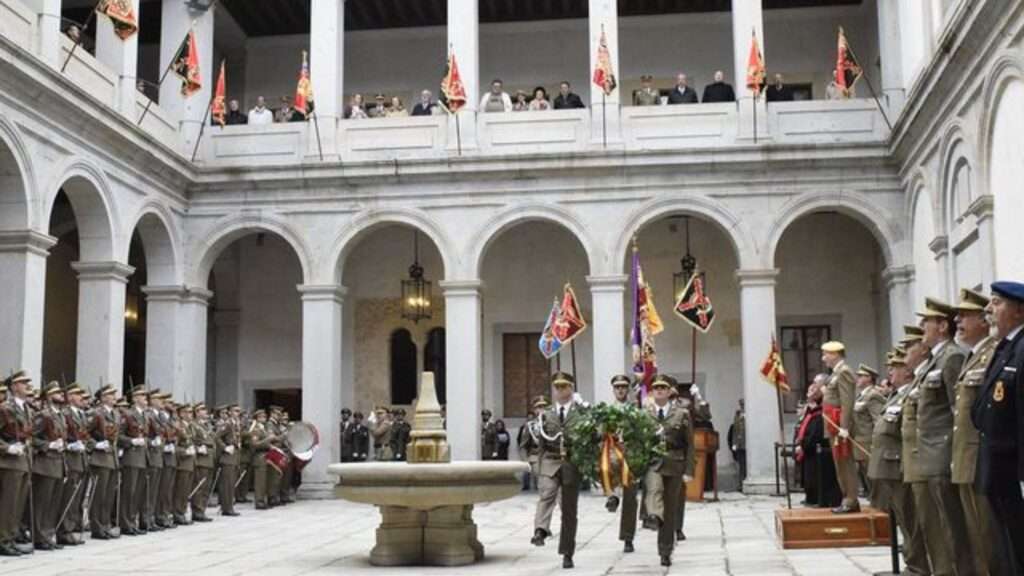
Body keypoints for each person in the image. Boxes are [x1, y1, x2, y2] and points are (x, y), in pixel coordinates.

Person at [915, 297, 973, 576]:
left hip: (943, 452)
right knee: (940, 524)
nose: (921, 327)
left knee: (954, 525)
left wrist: (953, 455)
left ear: (941, 325)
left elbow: (956, 411)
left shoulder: (952, 357)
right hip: (930, 454)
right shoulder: (935, 359)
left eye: (926, 321)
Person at [972, 281, 1024, 573]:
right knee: (1009, 546)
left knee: (1018, 546)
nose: (989, 310)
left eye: (997, 303)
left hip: (1013, 469)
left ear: (1018, 311)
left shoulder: (1022, 348)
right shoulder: (1007, 348)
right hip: (999, 467)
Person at [867, 348, 930, 574]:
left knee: (911, 520)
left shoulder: (909, 393)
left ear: (906, 371)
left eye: (895, 368)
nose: (890, 373)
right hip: (889, 465)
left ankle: (918, 565)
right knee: (903, 519)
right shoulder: (896, 395)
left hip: (900, 464)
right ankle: (912, 562)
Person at [951, 288, 998, 574]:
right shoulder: (971, 358)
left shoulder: (993, 353)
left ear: (983, 320)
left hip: (981, 456)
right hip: (965, 457)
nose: (959, 321)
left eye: (966, 315)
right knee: (975, 534)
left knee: (988, 534)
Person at [534, 372, 582, 569]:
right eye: (557, 387)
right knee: (546, 493)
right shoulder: (546, 414)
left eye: (564, 386)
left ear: (571, 388)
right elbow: (542, 445)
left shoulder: (582, 412)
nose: (561, 390)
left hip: (571, 463)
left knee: (569, 511)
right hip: (551, 461)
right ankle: (540, 530)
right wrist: (538, 466)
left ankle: (567, 552)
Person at [643, 374, 690, 567]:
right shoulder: (645, 414)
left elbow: (689, 444)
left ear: (669, 391)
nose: (659, 390)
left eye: (663, 387)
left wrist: (689, 469)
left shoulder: (682, 413)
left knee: (670, 510)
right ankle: (653, 515)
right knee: (654, 489)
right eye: (656, 388)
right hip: (653, 462)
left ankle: (665, 550)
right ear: (652, 392)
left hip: (675, 462)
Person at [820, 341, 859, 513]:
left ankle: (850, 499)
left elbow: (847, 401)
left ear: (836, 354)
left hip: (839, 425)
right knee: (839, 463)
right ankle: (847, 497)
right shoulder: (835, 373)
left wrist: (844, 426)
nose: (824, 358)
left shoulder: (844, 372)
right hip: (832, 424)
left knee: (845, 463)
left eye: (826, 354)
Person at [0, 371, 33, 556]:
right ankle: (3, 540)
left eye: (27, 382)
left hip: (23, 461)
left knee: (18, 504)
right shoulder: (5, 408)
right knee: (8, 505)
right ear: (13, 387)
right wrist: (7, 448)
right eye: (22, 383)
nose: (27, 385)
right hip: (9, 462)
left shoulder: (25, 408)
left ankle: (11, 538)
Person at [31, 383, 66, 550]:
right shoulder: (43, 415)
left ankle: (47, 535)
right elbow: (32, 438)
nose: (61, 394)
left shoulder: (59, 415)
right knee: (42, 503)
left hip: (58, 463)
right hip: (45, 464)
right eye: (57, 392)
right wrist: (48, 445)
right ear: (49, 395)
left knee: (52, 503)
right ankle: (39, 536)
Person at [605, 375, 638, 553]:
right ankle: (612, 497)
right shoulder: (607, 410)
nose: (620, 390)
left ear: (628, 389)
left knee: (631, 499)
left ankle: (628, 537)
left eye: (624, 387)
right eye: (617, 387)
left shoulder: (636, 409)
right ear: (613, 390)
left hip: (631, 455)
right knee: (607, 470)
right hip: (612, 452)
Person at [59, 384, 89, 546]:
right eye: (77, 395)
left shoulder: (81, 414)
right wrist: (70, 445)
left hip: (81, 459)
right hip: (71, 459)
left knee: (76, 497)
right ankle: (65, 530)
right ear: (69, 396)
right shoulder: (66, 413)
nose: (81, 398)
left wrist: (87, 445)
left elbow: (86, 436)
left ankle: (71, 528)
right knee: (68, 497)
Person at [86, 385, 118, 541]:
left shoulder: (114, 414)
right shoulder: (96, 413)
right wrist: (94, 444)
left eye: (114, 394)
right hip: (99, 458)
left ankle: (105, 525)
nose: (114, 397)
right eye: (110, 395)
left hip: (111, 458)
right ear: (103, 397)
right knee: (99, 495)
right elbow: (83, 432)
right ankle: (97, 527)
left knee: (108, 495)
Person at [119, 385, 150, 534]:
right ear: (136, 398)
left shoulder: (144, 415)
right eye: (143, 396)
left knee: (137, 492)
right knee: (129, 492)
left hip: (142, 457)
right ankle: (126, 523)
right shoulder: (128, 414)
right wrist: (131, 441)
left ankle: (132, 522)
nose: (146, 398)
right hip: (131, 457)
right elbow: (119, 436)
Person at [851, 364, 885, 494]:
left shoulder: (873, 395)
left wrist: (876, 443)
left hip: (868, 442)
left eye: (861, 376)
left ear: (869, 378)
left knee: (873, 479)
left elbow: (878, 420)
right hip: (860, 441)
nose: (857, 378)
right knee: (865, 477)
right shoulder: (861, 396)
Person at [190, 403, 216, 523]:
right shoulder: (194, 425)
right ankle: (197, 511)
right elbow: (192, 440)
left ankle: (202, 509)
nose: (205, 412)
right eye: (202, 410)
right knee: (200, 486)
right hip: (202, 459)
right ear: (196, 412)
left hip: (209, 458)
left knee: (206, 487)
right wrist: (198, 448)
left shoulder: (206, 425)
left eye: (205, 410)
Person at [172, 404, 196, 524]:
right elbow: (174, 447)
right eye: (186, 412)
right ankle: (178, 513)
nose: (189, 415)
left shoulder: (189, 427)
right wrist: (185, 451)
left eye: (191, 412)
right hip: (182, 463)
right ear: (181, 414)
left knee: (186, 491)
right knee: (180, 490)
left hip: (190, 462)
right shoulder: (178, 427)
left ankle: (182, 511)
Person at [216, 405, 241, 517]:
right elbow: (217, 437)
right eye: (236, 411)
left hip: (234, 457)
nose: (238, 413)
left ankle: (229, 506)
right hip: (227, 458)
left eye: (239, 411)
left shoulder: (236, 424)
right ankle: (226, 508)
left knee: (231, 484)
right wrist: (225, 447)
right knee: (227, 484)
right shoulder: (227, 424)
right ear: (230, 412)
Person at [519, 396, 547, 493]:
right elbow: (523, 445)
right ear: (535, 410)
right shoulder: (530, 425)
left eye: (544, 407)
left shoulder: (552, 423)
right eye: (539, 407)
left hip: (550, 456)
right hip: (535, 456)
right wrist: (525, 461)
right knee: (541, 480)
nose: (542, 409)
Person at [728, 398, 746, 483]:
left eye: (743, 405)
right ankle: (741, 483)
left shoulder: (750, 414)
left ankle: (744, 481)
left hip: (747, 444)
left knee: (746, 465)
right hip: (739, 444)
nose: (742, 406)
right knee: (741, 465)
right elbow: (735, 430)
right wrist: (734, 443)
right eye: (741, 405)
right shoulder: (737, 415)